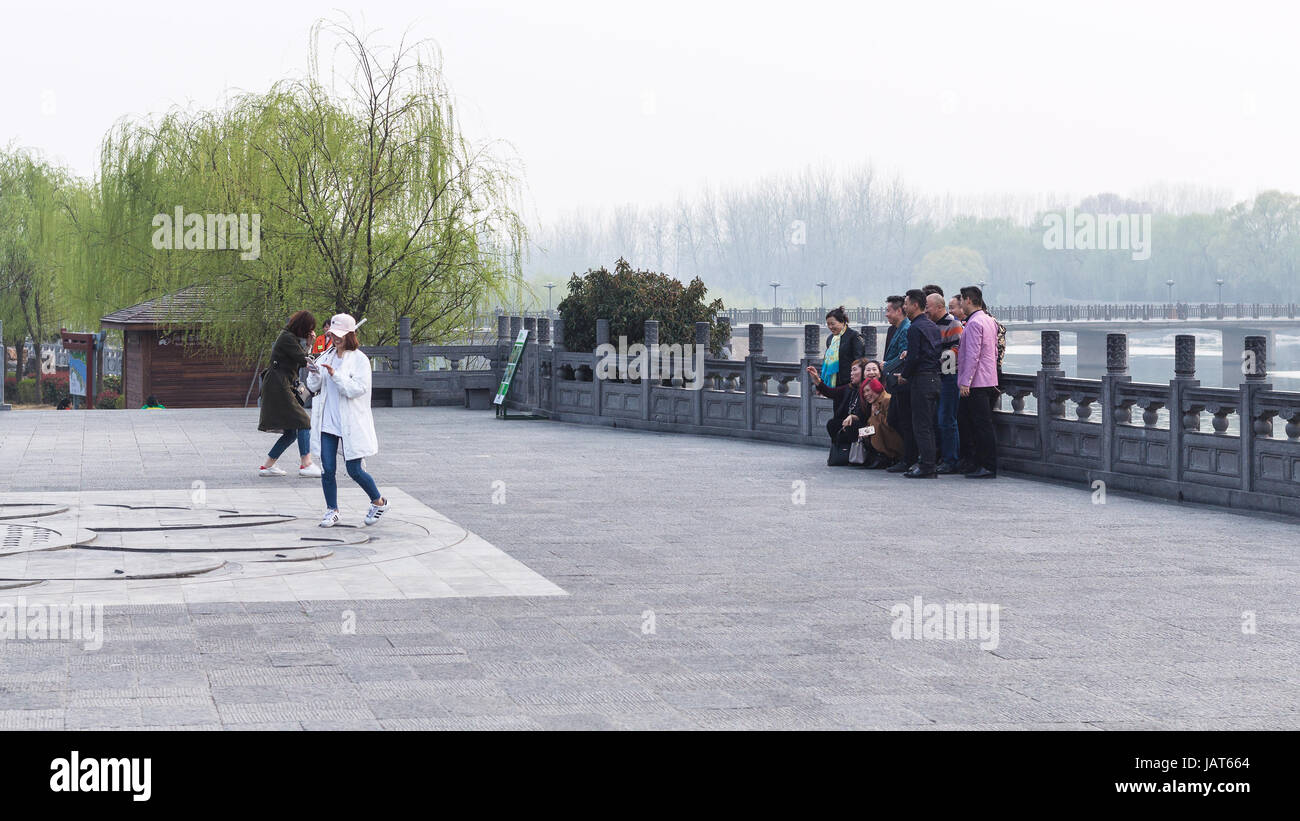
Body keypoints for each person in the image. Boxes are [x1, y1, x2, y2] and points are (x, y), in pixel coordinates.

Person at [306, 313, 389, 527]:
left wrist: (336, 375)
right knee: (328, 468)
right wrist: (314, 373)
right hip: (327, 421)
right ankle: (331, 510)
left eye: (340, 335)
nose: (336, 338)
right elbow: (314, 387)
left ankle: (378, 502)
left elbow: (356, 390)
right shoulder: (326, 356)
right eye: (333, 334)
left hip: (350, 422)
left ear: (351, 335)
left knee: (354, 470)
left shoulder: (360, 360)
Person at [257, 311, 321, 478]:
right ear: (303, 327)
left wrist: (308, 344)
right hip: (278, 386)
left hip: (280, 384)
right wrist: (310, 343)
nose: (310, 332)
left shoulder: (289, 337)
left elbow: (300, 358)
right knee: (304, 421)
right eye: (309, 329)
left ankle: (268, 466)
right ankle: (306, 464)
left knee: (291, 432)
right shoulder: (287, 338)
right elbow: (303, 360)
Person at [896, 289, 941, 478]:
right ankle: (930, 462)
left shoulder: (915, 327)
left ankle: (927, 466)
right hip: (935, 378)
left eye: (906, 303)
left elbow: (914, 357)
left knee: (921, 425)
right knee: (930, 424)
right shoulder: (932, 326)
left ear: (915, 305)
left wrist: (904, 375)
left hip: (921, 380)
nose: (904, 307)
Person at [957, 285, 1000, 479]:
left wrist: (966, 381)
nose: (960, 305)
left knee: (980, 425)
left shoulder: (974, 323)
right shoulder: (989, 320)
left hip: (977, 382)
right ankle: (977, 463)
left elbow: (973, 355)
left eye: (961, 301)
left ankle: (988, 466)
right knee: (974, 423)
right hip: (988, 378)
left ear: (967, 300)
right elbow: (995, 351)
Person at [927, 292, 964, 474]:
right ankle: (943, 456)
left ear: (939, 307)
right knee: (936, 419)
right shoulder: (931, 325)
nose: (926, 310)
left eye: (928, 307)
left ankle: (951, 460)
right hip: (935, 377)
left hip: (949, 376)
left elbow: (957, 350)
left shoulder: (953, 324)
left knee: (946, 420)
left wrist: (934, 359)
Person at [807, 357, 869, 461]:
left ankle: (861, 454)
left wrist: (854, 417)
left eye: (854, 370)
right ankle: (844, 453)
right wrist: (817, 380)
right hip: (850, 425)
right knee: (833, 424)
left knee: (852, 427)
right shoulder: (849, 388)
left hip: (869, 429)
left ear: (863, 371)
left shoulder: (870, 389)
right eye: (851, 370)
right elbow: (831, 392)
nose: (851, 373)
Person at [881, 296, 911, 472]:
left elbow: (903, 357)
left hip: (902, 382)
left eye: (888, 310)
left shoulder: (906, 329)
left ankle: (907, 457)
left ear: (899, 311)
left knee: (901, 420)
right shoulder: (898, 328)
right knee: (895, 419)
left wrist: (886, 366)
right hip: (895, 382)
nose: (886, 314)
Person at [859, 377, 904, 469]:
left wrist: (876, 414)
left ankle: (885, 456)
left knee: (873, 427)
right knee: (861, 431)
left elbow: (890, 423)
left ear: (876, 387)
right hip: (884, 436)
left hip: (894, 439)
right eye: (864, 392)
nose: (866, 394)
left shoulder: (887, 400)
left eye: (868, 390)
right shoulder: (875, 402)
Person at [820, 306, 865, 388]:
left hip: (849, 382)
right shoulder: (830, 339)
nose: (830, 327)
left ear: (842, 322)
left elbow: (859, 360)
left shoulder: (853, 336)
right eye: (828, 324)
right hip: (835, 383)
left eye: (833, 324)